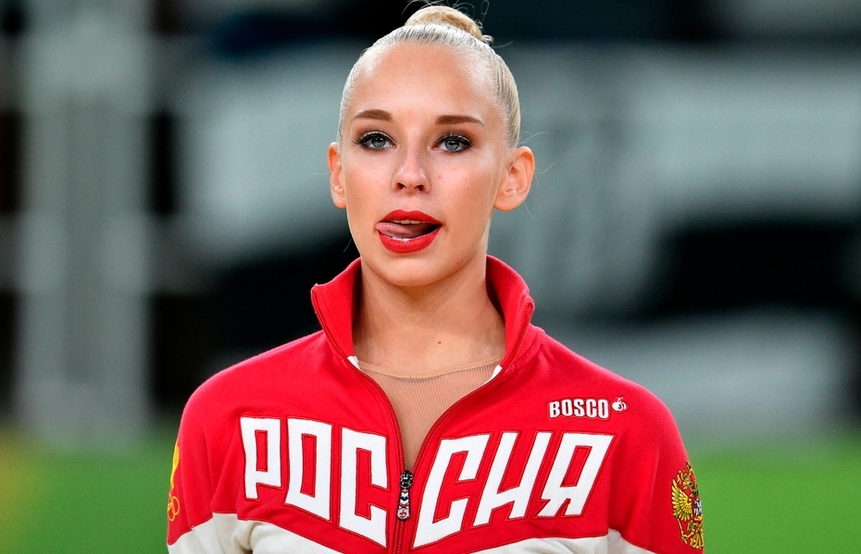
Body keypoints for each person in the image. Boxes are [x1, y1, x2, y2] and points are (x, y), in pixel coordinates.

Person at [166, 4, 704, 553]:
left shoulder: (625, 431)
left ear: (513, 178)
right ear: (338, 174)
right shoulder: (230, 418)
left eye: (453, 142)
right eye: (377, 139)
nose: (410, 176)